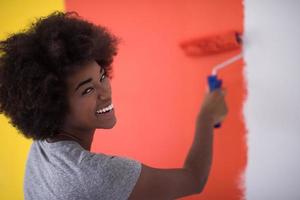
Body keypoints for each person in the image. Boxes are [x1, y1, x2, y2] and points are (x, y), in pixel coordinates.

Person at [0, 12, 228, 200]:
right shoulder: (97, 175)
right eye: (87, 90)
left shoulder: (43, 146)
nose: (105, 92)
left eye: (101, 76)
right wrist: (206, 117)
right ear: (53, 106)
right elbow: (194, 179)